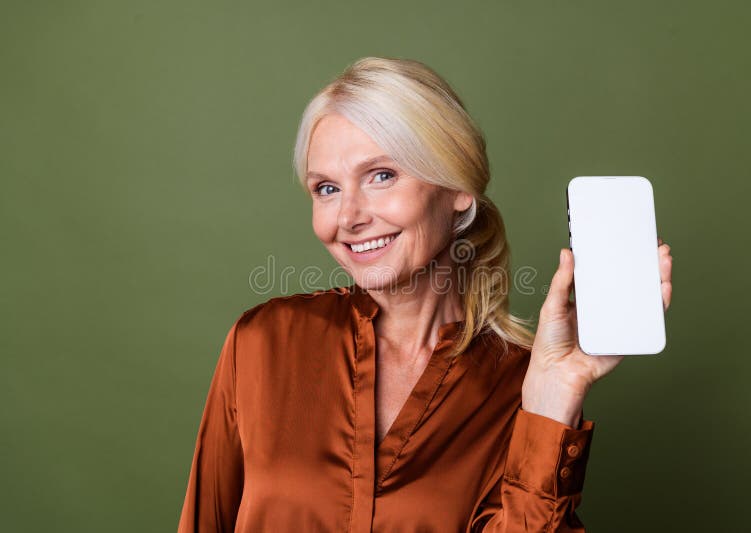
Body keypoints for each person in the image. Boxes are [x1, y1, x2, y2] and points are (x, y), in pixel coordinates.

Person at [177, 56, 673, 532]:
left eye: (382, 176)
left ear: (458, 190)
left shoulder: (523, 387)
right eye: (326, 188)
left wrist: (552, 399)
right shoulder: (261, 345)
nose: (348, 217)